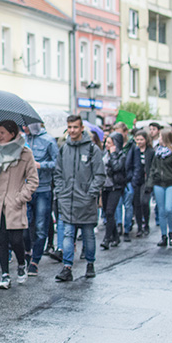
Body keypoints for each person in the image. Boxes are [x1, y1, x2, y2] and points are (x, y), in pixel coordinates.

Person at [0, 120, 38, 289]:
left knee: (16, 239)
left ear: (12, 134)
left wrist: (21, 197)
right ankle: (5, 274)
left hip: (14, 202)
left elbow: (33, 180)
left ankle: (21, 264)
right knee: (1, 238)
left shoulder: (25, 153)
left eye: (2, 133)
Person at [54, 115, 105, 282]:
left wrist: (91, 193)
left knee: (88, 235)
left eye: (75, 127)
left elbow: (99, 174)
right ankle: (67, 267)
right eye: (69, 127)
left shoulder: (92, 149)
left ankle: (90, 264)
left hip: (86, 201)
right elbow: (58, 172)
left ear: (82, 128)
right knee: (68, 234)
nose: (72, 130)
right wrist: (61, 191)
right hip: (68, 199)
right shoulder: (64, 148)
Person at [23, 122, 58, 277]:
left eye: (26, 125)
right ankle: (27, 252)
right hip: (26, 188)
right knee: (24, 224)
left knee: (40, 226)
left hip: (43, 189)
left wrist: (40, 165)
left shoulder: (49, 140)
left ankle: (35, 261)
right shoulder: (22, 140)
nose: (23, 128)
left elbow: (57, 163)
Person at [146, 129, 172, 246]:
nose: (159, 139)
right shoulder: (157, 152)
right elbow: (153, 168)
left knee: (168, 209)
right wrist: (150, 184)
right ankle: (163, 236)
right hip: (158, 183)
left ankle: (171, 233)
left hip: (170, 183)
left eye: (161, 137)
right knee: (161, 210)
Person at [100, 133, 126, 249]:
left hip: (115, 187)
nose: (107, 145)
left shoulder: (121, 155)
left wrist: (114, 154)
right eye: (106, 142)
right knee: (107, 212)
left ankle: (107, 238)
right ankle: (116, 236)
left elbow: (116, 167)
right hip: (105, 186)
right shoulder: (104, 154)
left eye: (109, 143)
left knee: (110, 212)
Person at [127, 130, 153, 237]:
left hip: (146, 180)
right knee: (136, 203)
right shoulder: (134, 150)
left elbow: (152, 167)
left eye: (141, 139)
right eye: (137, 139)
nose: (139, 141)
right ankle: (139, 226)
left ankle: (146, 223)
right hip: (137, 179)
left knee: (144, 202)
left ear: (146, 140)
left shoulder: (150, 151)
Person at [113, 122, 134, 242]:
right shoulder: (114, 146)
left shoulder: (131, 146)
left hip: (128, 180)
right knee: (118, 205)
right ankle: (119, 225)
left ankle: (127, 228)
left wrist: (132, 179)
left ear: (125, 132)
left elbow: (135, 165)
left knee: (128, 205)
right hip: (117, 180)